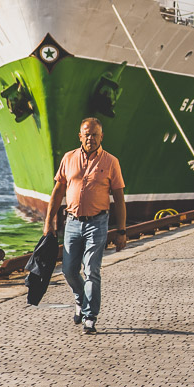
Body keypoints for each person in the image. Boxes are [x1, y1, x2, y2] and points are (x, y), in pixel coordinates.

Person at [43, 118, 127, 335]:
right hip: (72, 222)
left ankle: (90, 317)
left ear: (102, 137)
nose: (90, 138)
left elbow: (119, 196)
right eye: (86, 134)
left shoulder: (111, 162)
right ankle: (80, 300)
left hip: (97, 223)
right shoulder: (69, 158)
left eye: (95, 134)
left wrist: (122, 230)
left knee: (91, 270)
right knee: (69, 270)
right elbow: (58, 191)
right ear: (80, 136)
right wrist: (49, 223)